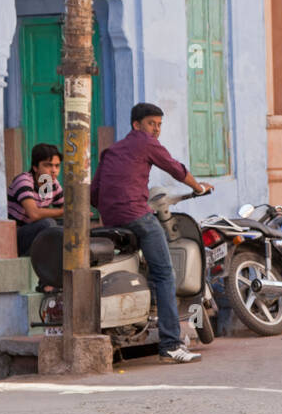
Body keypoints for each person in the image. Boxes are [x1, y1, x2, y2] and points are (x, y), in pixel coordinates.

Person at [91, 102, 213, 364]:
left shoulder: (110, 150)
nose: (156, 129)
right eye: (151, 124)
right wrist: (199, 187)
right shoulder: (145, 142)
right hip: (138, 217)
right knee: (164, 273)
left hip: (112, 221)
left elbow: (94, 193)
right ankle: (170, 344)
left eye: (159, 125)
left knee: (150, 266)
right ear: (137, 125)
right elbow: (175, 168)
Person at [9, 143, 64, 256]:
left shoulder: (52, 184)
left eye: (57, 166)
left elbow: (66, 208)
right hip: (14, 237)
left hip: (35, 233)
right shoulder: (24, 181)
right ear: (35, 167)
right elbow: (34, 213)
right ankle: (37, 258)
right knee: (48, 224)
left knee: (68, 226)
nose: (54, 170)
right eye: (48, 165)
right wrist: (67, 211)